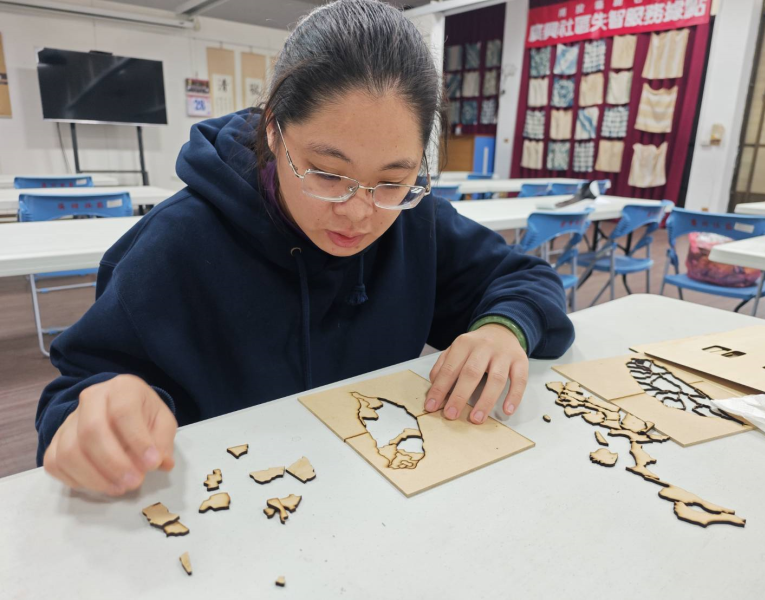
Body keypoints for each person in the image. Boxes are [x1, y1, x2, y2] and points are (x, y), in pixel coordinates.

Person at [36, 0, 575, 497]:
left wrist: (503, 329)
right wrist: (96, 416)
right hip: (233, 512)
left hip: (372, 495)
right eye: (326, 172)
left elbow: (524, 278)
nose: (360, 212)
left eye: (393, 179)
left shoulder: (414, 221)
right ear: (273, 129)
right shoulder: (176, 243)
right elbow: (79, 389)